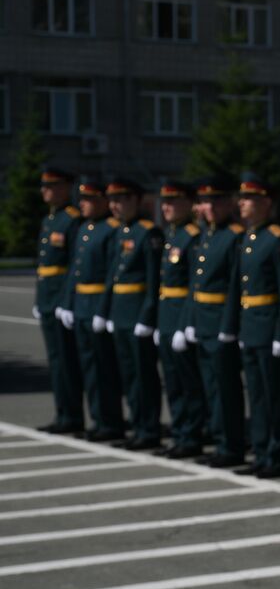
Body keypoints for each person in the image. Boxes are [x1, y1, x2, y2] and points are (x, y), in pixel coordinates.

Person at [230, 173, 280, 479]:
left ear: (266, 203)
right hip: (250, 327)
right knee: (255, 394)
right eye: (242, 199)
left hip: (269, 328)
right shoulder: (248, 238)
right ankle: (261, 450)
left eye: (249, 199)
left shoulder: (277, 239)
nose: (242, 204)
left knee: (274, 396)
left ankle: (277, 455)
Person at [184, 175, 246, 468]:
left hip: (221, 323)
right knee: (210, 386)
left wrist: (227, 328)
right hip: (203, 322)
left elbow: (234, 287)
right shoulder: (206, 236)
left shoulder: (233, 236)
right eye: (203, 202)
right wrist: (191, 321)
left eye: (212, 202)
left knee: (225, 390)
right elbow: (196, 285)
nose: (206, 208)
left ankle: (230, 446)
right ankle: (218, 438)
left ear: (225, 204)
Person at [105, 177, 165, 450]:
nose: (114, 206)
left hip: (138, 313)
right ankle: (137, 424)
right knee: (128, 374)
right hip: (120, 312)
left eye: (120, 200)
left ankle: (149, 428)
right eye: (112, 201)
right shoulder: (121, 231)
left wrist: (147, 316)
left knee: (144, 375)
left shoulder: (148, 233)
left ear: (135, 201)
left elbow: (153, 282)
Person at [65, 176, 125, 441]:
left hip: (98, 306)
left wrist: (103, 310)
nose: (83, 204)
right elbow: (75, 271)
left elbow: (112, 274)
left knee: (104, 369)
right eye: (82, 199)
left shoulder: (111, 230)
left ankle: (110, 421)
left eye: (89, 199)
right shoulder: (84, 228)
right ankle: (98, 419)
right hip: (81, 306)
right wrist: (67, 303)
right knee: (88, 366)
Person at [153, 179, 207, 458]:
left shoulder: (192, 236)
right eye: (164, 203)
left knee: (188, 383)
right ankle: (179, 431)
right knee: (172, 382)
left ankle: (191, 435)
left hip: (181, 319)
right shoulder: (172, 235)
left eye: (173, 202)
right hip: (167, 317)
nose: (167, 208)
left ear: (188, 204)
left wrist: (185, 324)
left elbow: (192, 286)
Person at [34, 166, 85, 435]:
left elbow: (72, 266)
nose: (44, 191)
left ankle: (73, 416)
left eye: (50, 186)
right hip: (47, 299)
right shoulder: (50, 220)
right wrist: (39, 298)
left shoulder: (71, 220)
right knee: (55, 360)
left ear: (65, 188)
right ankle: (62, 412)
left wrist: (65, 301)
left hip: (61, 301)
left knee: (67, 362)